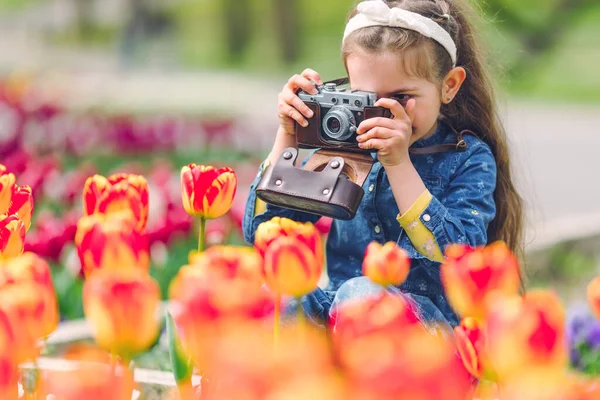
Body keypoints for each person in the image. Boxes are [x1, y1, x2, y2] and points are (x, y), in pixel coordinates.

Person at [242, 0, 524, 329]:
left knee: (361, 297)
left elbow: (458, 254)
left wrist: (398, 163)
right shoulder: (346, 146)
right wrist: (287, 136)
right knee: (275, 300)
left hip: (427, 335)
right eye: (364, 99)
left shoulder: (467, 157)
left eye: (401, 97)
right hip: (344, 316)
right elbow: (263, 232)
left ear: (449, 85)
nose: (383, 114)